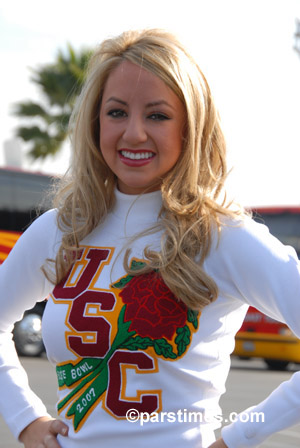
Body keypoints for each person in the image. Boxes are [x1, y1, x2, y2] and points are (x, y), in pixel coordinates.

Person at [0, 28, 299, 448]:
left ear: (190, 127)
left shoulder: (221, 235)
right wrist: (25, 419)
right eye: (117, 112)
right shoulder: (60, 227)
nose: (135, 133)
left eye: (157, 115)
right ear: (94, 121)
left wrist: (237, 438)